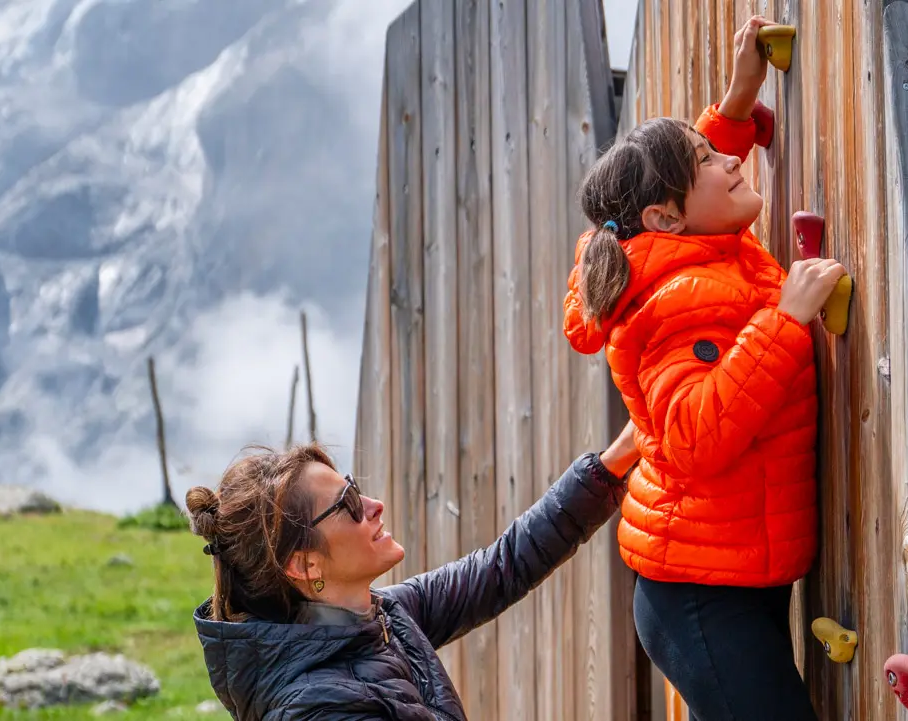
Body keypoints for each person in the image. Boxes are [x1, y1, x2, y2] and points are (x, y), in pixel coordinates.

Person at [561, 15, 844, 721]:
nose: (726, 160)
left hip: (722, 572)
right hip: (699, 596)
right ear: (664, 217)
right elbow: (693, 435)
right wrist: (784, 320)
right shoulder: (672, 302)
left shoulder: (682, 250)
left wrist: (735, 103)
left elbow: (684, 180)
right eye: (708, 160)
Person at [187, 423, 639, 720]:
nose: (373, 505)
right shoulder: (318, 707)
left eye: (354, 488)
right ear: (306, 565)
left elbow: (505, 565)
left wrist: (614, 460)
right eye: (347, 505)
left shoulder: (383, 617)